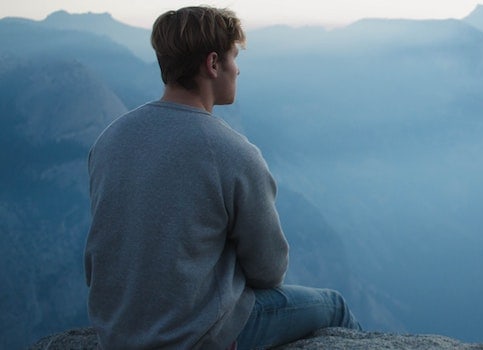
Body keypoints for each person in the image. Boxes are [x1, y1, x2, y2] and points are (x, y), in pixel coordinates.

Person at [84, 6, 361, 349]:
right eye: (234, 56)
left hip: (116, 332)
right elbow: (269, 270)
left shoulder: (109, 140)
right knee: (335, 307)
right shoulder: (232, 153)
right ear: (213, 64)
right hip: (197, 335)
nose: (238, 68)